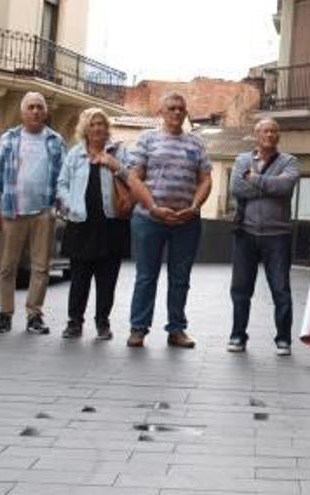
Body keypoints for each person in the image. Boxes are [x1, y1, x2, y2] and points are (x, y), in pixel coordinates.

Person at [125, 92, 212, 349]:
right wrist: (152, 207)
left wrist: (195, 207)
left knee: (180, 278)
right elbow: (134, 178)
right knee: (145, 276)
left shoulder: (196, 144)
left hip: (186, 222)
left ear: (185, 114)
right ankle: (138, 329)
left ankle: (176, 330)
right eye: (171, 108)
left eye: (181, 109)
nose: (176, 113)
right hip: (149, 219)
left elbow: (206, 179)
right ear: (160, 113)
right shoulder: (146, 140)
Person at [0, 92, 65, 335]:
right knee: (7, 267)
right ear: (22, 112)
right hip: (12, 210)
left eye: (39, 107)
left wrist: (59, 205)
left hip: (44, 211)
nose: (35, 111)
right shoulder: (8, 138)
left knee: (41, 267)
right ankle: (4, 314)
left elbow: (62, 176)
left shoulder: (55, 140)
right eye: (30, 107)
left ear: (45, 112)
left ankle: (34, 315)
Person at [56, 108, 131, 341]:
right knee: (79, 278)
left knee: (107, 280)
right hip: (81, 223)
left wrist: (114, 165)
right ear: (85, 129)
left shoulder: (119, 151)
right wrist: (70, 205)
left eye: (101, 124)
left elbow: (132, 178)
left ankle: (103, 324)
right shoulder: (74, 154)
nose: (97, 128)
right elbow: (62, 184)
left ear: (106, 127)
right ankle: (74, 322)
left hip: (111, 224)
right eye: (93, 124)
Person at [227, 118, 300, 355]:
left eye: (274, 131)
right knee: (240, 288)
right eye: (265, 131)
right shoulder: (242, 160)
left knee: (280, 288)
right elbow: (237, 188)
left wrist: (254, 179)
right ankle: (238, 336)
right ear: (256, 135)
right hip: (245, 233)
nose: (269, 134)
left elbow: (285, 188)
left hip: (277, 235)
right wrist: (269, 185)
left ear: (278, 136)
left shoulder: (289, 161)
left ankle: (283, 340)